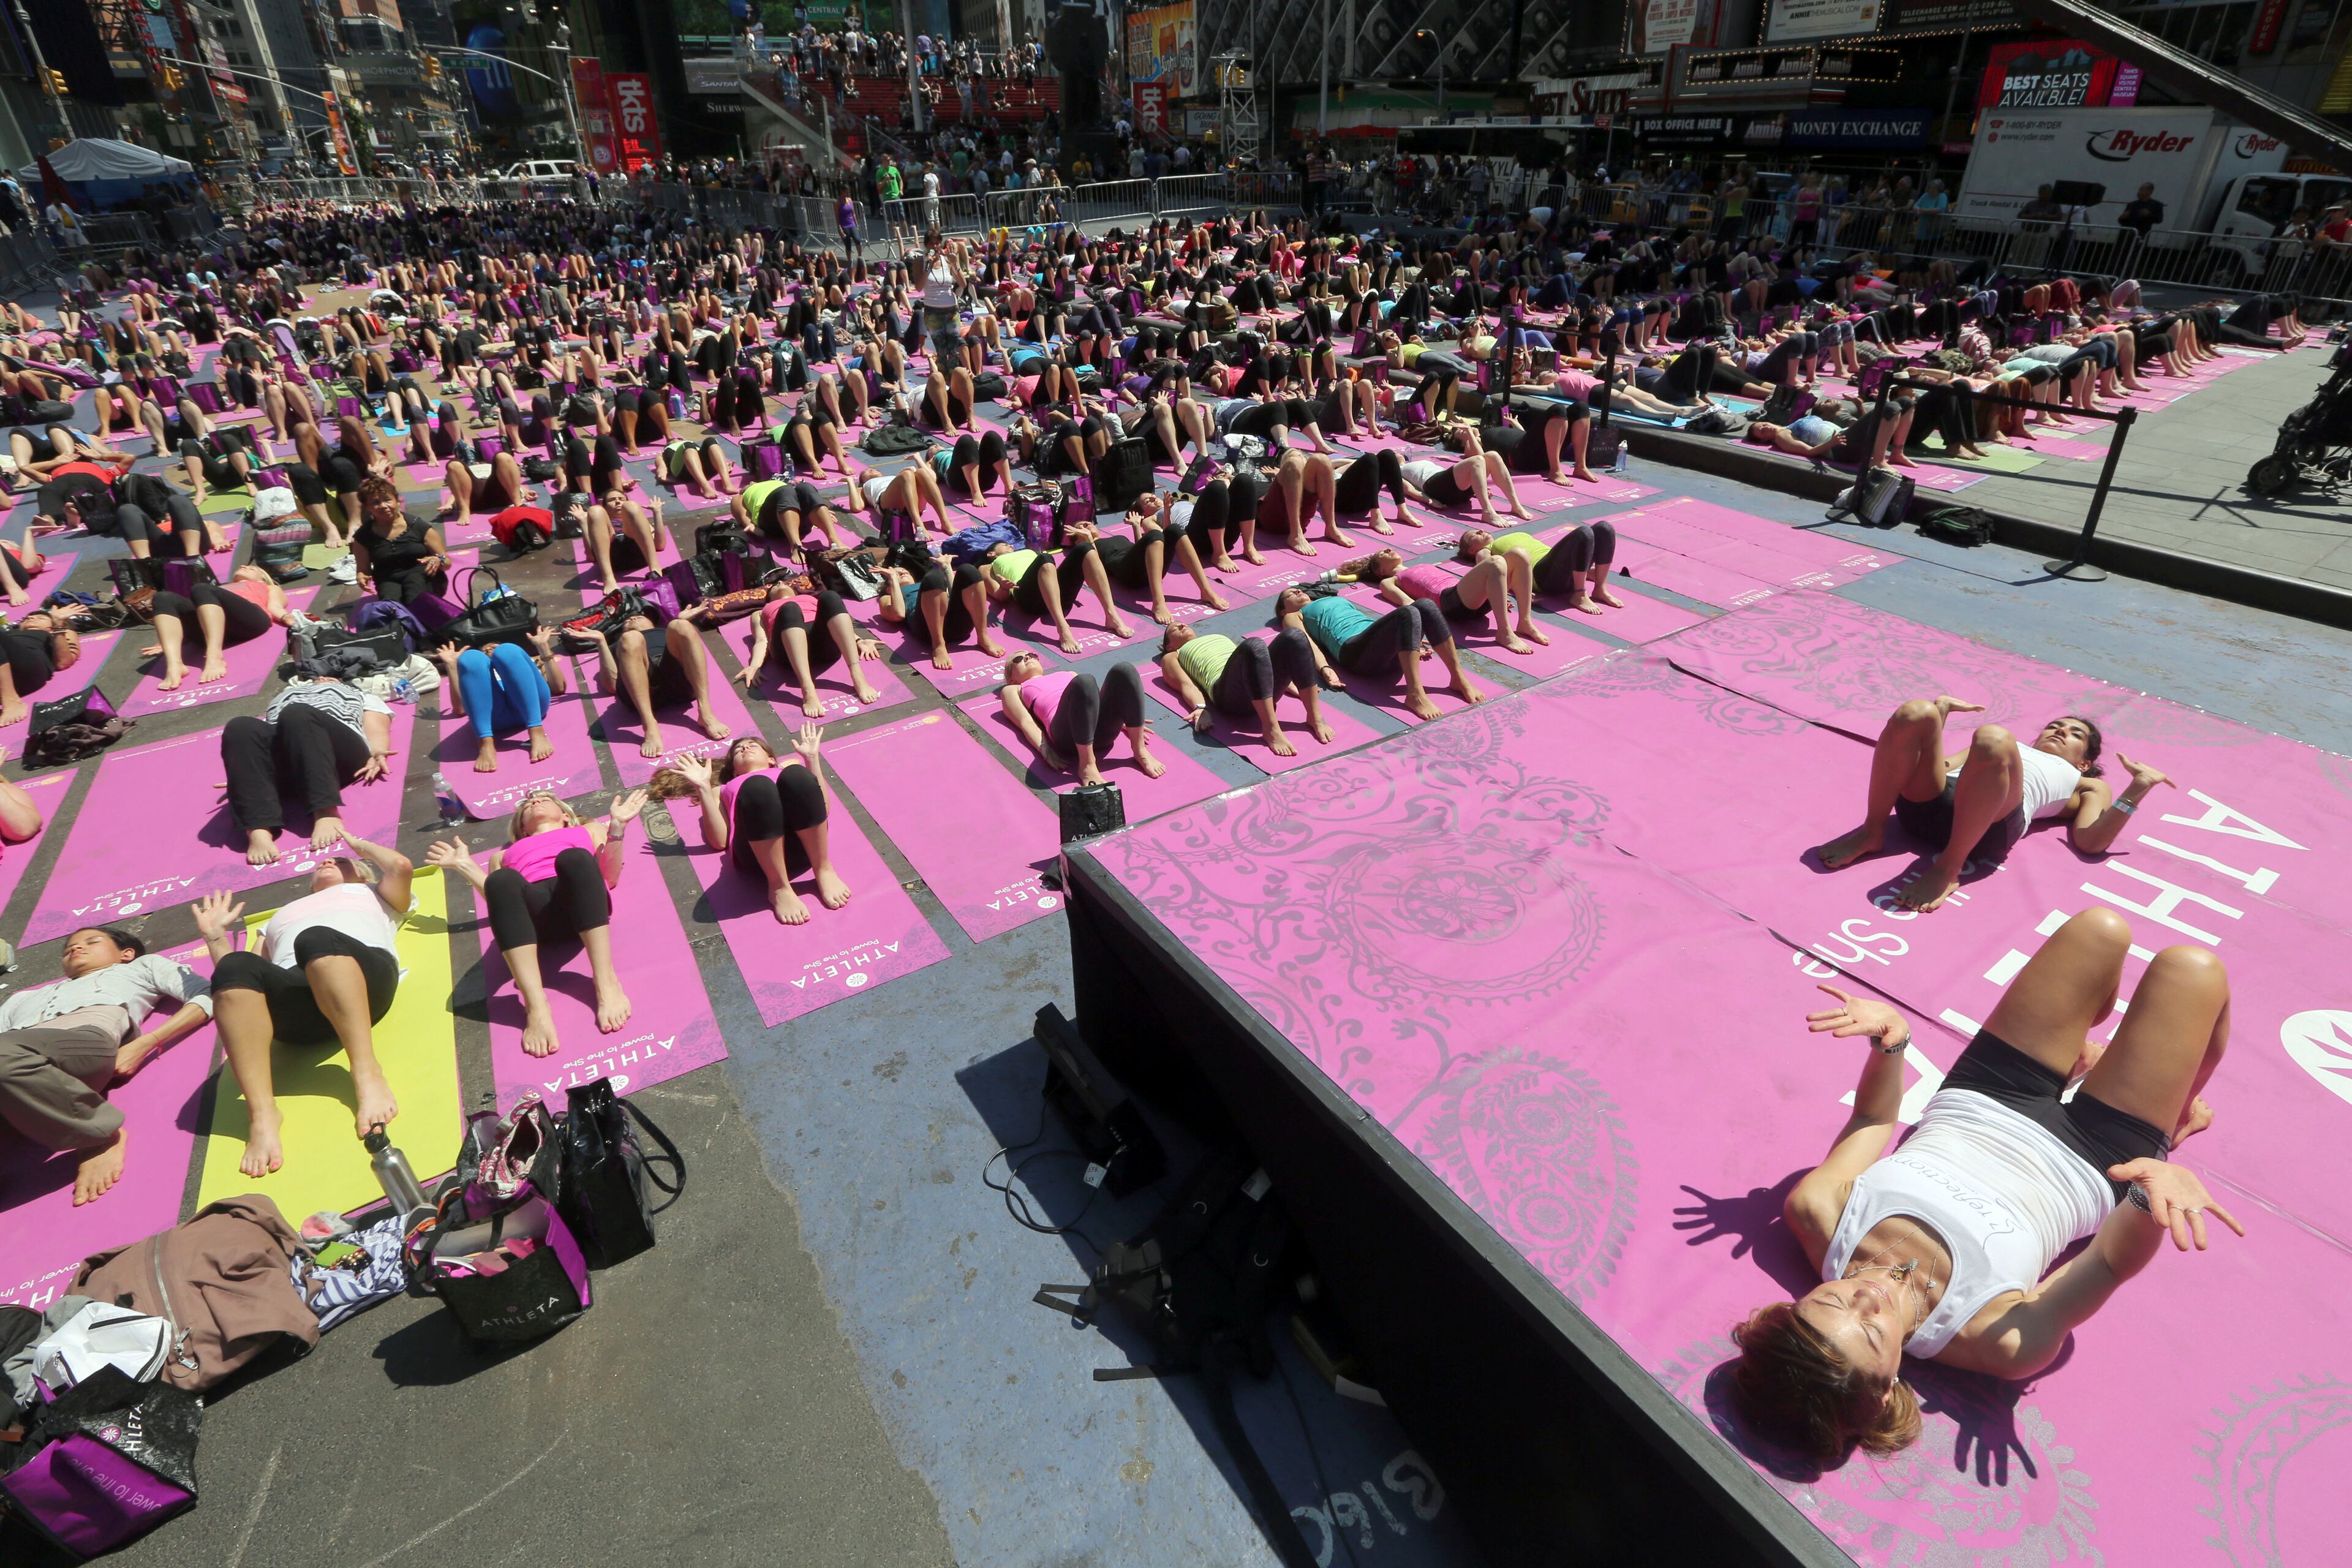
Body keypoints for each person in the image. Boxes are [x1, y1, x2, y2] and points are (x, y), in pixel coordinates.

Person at [1727, 910, 2236, 1466]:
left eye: (1829, 1301)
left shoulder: (1816, 1214)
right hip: (2100, 1155)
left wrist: (1890, 1043)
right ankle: (2169, 1115)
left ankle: (2085, 1071)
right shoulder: (1997, 1343)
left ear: (1794, 1304)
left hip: (1986, 1094)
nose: (1865, 1299)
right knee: (2194, 971)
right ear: (1888, 1386)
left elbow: (1872, 1121)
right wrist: (2151, 1190)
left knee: (2100, 930)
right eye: (1871, 1334)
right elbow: (2109, 1263)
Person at [1814, 699, 2174, 911]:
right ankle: (1873, 829)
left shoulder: (2087, 782)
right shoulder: (2005, 747)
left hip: (1987, 829)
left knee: (1995, 737)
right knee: (1916, 711)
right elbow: (1935, 768)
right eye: (2055, 725)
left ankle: (1948, 867)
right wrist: (1938, 716)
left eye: (2074, 733)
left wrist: (2137, 789)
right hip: (1927, 808)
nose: (2061, 731)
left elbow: (2091, 842)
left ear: (2084, 761)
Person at [196, 829, 414, 1180]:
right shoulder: (279, 916)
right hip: (299, 1008)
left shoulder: (374, 893)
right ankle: (263, 1114)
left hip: (362, 979)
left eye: (342, 861)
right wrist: (215, 938)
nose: (328, 861)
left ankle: (366, 1072)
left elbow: (401, 866)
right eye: (325, 862)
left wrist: (359, 846)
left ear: (364, 872)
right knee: (235, 964)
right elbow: (243, 979)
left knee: (314, 937)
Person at [426, 789, 649, 1057]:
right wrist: (465, 865)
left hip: (581, 907)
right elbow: (501, 901)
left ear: (566, 815)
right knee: (500, 880)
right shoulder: (502, 856)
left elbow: (608, 878)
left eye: (545, 799)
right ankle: (536, 1006)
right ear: (521, 827)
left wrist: (617, 826)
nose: (535, 801)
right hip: (534, 923)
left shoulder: (588, 830)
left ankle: (606, 982)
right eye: (528, 804)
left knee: (575, 857)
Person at [0, 925, 213, 1205]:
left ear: (127, 953)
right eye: (69, 949)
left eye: (91, 942)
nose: (76, 948)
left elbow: (208, 994)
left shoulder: (140, 967)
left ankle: (98, 1135)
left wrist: (145, 1043)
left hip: (82, 1040)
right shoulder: (23, 998)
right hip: (16, 1064)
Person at [650, 726, 851, 924]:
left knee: (796, 773)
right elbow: (720, 841)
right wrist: (703, 787)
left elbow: (822, 808)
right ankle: (779, 887)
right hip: (759, 859)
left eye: (753, 745)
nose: (745, 749)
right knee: (758, 787)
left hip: (806, 850)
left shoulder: (785, 773)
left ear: (771, 760)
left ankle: (824, 869)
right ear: (735, 772)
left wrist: (812, 759)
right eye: (738, 750)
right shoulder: (724, 789)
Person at [221, 677, 398, 866]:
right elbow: (257, 742)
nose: (322, 678)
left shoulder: (361, 695)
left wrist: (378, 752)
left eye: (330, 677)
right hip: (293, 758)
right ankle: (258, 829)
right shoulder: (285, 697)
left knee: (297, 714)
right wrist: (243, 775)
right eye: (315, 678)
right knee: (240, 726)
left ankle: (325, 811)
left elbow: (378, 729)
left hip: (336, 753)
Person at [1275, 583, 1484, 722]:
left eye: (1296, 589)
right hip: (1354, 652)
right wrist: (1324, 668)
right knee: (1408, 612)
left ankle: (1458, 678)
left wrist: (1408, 640)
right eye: (1288, 595)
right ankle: (1414, 694)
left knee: (1425, 605)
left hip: (1378, 648)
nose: (1295, 591)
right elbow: (1306, 643)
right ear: (1284, 610)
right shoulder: (1293, 616)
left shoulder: (1335, 600)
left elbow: (1373, 625)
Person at [1156, 621, 1336, 759]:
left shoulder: (1216, 637)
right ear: (1169, 646)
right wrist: (1200, 707)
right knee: (1253, 645)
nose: (1181, 624)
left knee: (1295, 636)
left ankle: (1315, 717)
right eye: (1173, 629)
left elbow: (1257, 663)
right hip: (1228, 694)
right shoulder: (1173, 655)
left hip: (1260, 686)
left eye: (1181, 623)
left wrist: (1288, 684)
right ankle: (1271, 729)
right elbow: (1186, 685)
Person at [575, 611, 731, 760]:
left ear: (653, 623)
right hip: (641, 689)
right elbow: (611, 686)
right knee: (631, 638)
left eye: (638, 617)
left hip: (677, 681)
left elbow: (687, 646)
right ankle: (650, 725)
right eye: (627, 621)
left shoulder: (665, 632)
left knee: (681, 625)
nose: (632, 619)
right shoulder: (622, 644)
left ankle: (706, 712)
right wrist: (602, 643)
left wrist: (683, 622)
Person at [996, 654, 1166, 788]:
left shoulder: (1068, 673)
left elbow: (1093, 702)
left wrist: (1124, 720)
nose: (1028, 658)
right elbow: (1026, 722)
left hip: (1100, 731)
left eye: (1032, 655)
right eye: (1019, 659)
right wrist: (1044, 749)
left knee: (1124, 670)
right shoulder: (1014, 689)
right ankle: (1087, 764)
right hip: (1066, 734)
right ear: (1011, 678)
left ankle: (1139, 750)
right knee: (1084, 681)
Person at [738, 581, 886, 718]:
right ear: (769, 598)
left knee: (830, 596)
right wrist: (755, 666)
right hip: (788, 650)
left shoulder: (809, 599)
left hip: (823, 645)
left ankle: (857, 675)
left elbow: (834, 620)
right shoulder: (759, 613)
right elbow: (761, 640)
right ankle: (808, 688)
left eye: (783, 581)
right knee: (789, 608)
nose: (780, 582)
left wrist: (859, 640)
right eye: (775, 585)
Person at [434, 627, 569, 772]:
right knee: (470, 657)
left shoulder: (526, 661)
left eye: (494, 647)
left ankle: (536, 731)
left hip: (533, 707)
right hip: (495, 718)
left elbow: (558, 688)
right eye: (486, 650)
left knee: (507, 651)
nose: (491, 650)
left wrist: (543, 647)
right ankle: (485, 743)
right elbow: (461, 709)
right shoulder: (479, 671)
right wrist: (452, 666)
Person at [140, 563, 292, 692]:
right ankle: (175, 665)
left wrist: (287, 617)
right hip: (210, 630)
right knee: (163, 597)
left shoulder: (266, 587)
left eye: (251, 568)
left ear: (262, 579)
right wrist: (171, 640)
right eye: (244, 566)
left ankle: (214, 657)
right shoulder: (219, 589)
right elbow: (194, 614)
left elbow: (275, 606)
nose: (243, 566)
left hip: (249, 623)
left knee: (201, 589)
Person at [1455, 523, 1624, 619]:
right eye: (1474, 535)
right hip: (1541, 575)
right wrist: (1514, 592)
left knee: (1605, 529)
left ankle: (1600, 589)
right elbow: (1494, 572)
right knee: (1584, 533)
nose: (1480, 530)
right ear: (1472, 550)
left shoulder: (1510, 536)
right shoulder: (1486, 551)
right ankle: (1579, 594)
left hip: (1558, 568)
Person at [350, 475, 454, 606]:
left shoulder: (418, 526)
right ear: (367, 507)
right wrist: (361, 577)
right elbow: (363, 570)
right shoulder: (362, 537)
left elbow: (447, 562)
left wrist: (438, 560)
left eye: (387, 500)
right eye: (376, 503)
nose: (383, 506)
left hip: (421, 575)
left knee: (416, 598)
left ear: (397, 500)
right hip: (388, 579)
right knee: (392, 606)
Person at [0, 609, 83, 725]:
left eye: (41, 618)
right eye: (27, 619)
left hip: (28, 670)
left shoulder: (59, 632)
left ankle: (11, 701)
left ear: (51, 626)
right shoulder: (9, 635)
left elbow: (64, 662)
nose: (32, 619)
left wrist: (58, 625)